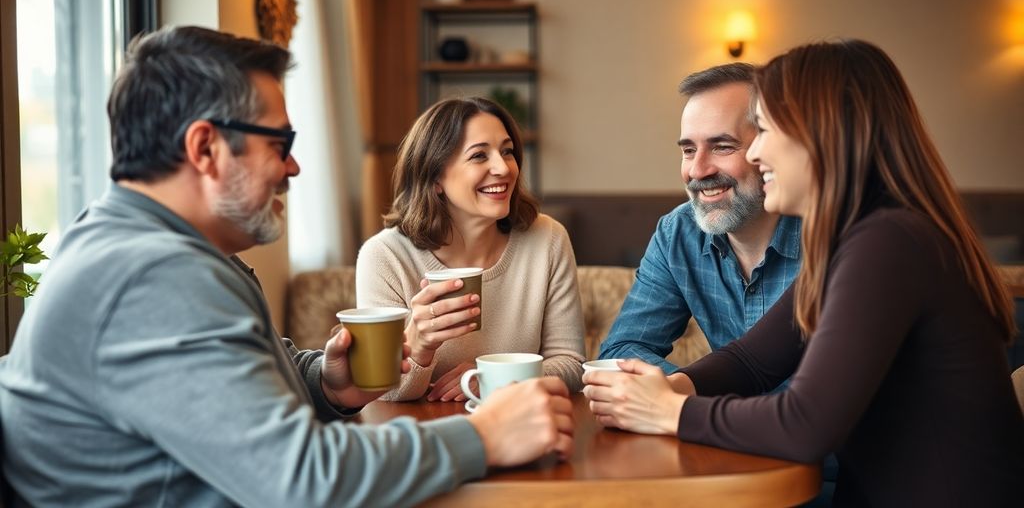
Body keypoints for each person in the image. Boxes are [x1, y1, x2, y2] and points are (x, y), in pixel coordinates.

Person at [0, 26, 574, 507]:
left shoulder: (161, 252)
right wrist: (483, 435)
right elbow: (303, 480)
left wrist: (328, 381)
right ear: (205, 148)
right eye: (279, 142)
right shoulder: (150, 278)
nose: (294, 166)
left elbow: (245, 385)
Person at [583, 39, 1024, 506]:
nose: (756, 154)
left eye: (765, 131)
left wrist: (670, 410)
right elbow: (752, 361)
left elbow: (804, 425)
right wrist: (671, 388)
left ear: (823, 135)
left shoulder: (889, 241)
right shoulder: (858, 237)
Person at [356, 97, 586, 402]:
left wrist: (497, 379)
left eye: (507, 151)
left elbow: (572, 364)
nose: (503, 168)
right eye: (479, 155)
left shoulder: (547, 239)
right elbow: (381, 392)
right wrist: (420, 347)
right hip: (420, 429)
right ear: (435, 178)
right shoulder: (385, 256)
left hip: (519, 423)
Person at [597, 63, 801, 376]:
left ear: (770, 149)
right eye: (689, 150)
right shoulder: (678, 233)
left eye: (722, 147)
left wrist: (688, 393)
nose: (697, 170)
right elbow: (622, 350)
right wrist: (685, 391)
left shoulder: (829, 234)